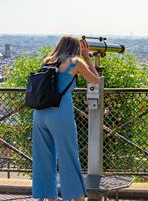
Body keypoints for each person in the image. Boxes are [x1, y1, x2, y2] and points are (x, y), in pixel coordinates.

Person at [32, 36, 100, 201]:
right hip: (60, 113)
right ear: (76, 47)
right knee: (68, 155)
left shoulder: (47, 60)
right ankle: (76, 197)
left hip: (40, 114)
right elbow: (96, 80)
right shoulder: (75, 62)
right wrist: (86, 57)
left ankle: (48, 197)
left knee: (43, 157)